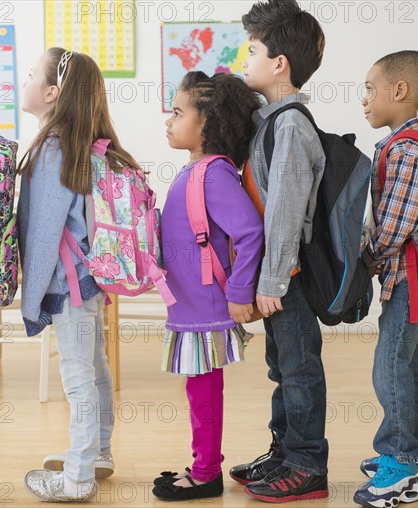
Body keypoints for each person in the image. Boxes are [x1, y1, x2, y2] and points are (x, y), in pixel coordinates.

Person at [18, 49, 135, 502]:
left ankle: (77, 476)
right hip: (90, 278)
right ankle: (98, 452)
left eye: (31, 74)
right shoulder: (81, 142)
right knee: (94, 368)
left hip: (67, 284)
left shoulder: (52, 146)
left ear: (51, 93)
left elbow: (46, 232)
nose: (24, 81)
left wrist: (32, 301)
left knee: (76, 375)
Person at [229, 0, 330, 503]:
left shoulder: (290, 125)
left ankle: (308, 463)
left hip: (286, 275)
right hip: (278, 274)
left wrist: (271, 282)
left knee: (299, 367)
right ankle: (285, 450)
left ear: (279, 64)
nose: (244, 59)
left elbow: (286, 211)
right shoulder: (270, 120)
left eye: (252, 50)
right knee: (282, 365)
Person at [151, 70, 264, 502]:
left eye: (178, 113)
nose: (169, 120)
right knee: (199, 389)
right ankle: (202, 465)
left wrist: (239, 293)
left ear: (208, 124)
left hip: (206, 305)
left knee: (202, 391)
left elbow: (250, 232)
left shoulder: (213, 174)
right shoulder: (195, 171)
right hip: (190, 306)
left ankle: (205, 473)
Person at [354, 50, 418, 508]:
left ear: (399, 91)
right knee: (412, 366)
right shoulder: (408, 144)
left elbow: (393, 228)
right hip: (412, 278)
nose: (364, 99)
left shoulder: (407, 151)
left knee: (389, 368)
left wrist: (360, 260)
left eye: (370, 88)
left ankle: (399, 462)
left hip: (406, 281)